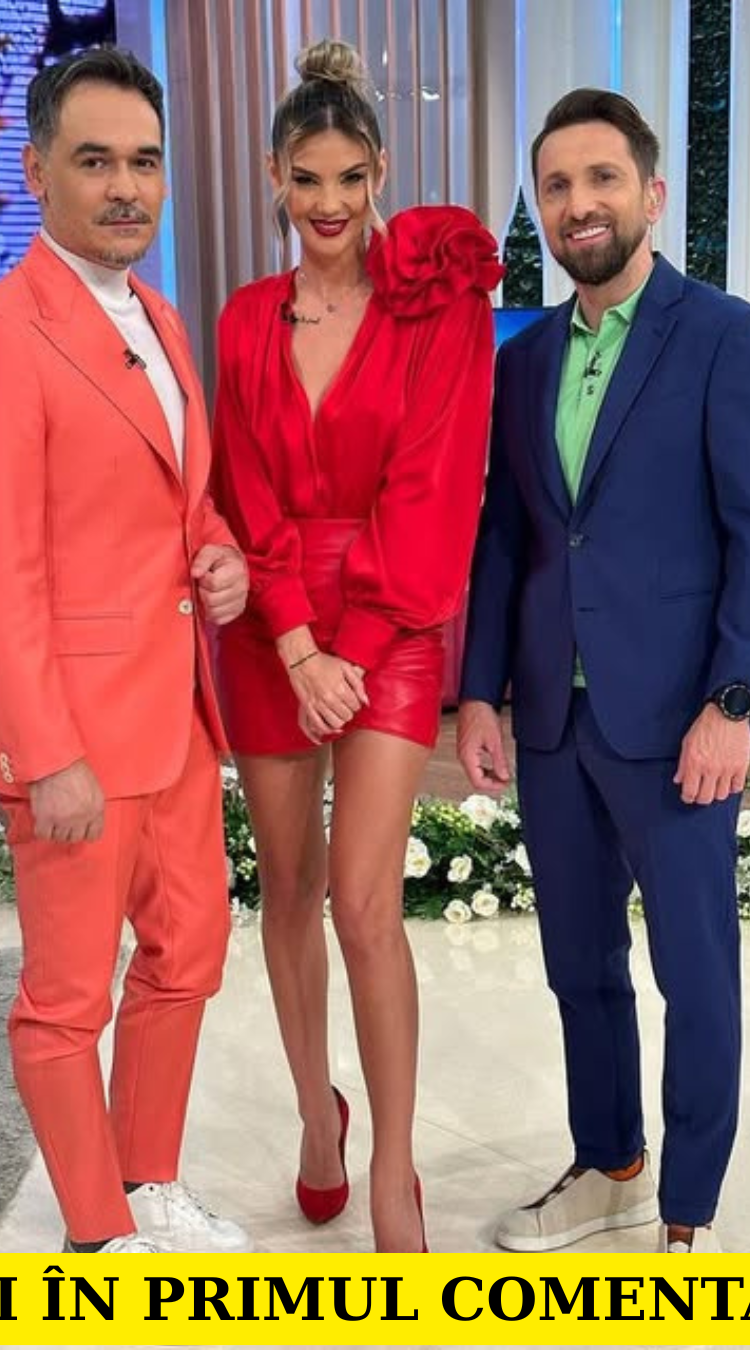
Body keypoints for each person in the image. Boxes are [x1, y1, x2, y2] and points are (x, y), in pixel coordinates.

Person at [457, 88, 750, 1255]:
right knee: (580, 966)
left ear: (650, 193)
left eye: (601, 178)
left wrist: (733, 703)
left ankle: (688, 1210)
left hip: (678, 720)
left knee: (695, 974)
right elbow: (508, 538)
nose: (579, 203)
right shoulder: (524, 361)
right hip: (555, 719)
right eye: (557, 185)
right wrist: (480, 690)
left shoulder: (725, 338)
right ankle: (609, 1165)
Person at [0, 47, 252, 1256]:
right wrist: (45, 749)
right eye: (96, 160)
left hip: (174, 716)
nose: (127, 188)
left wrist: (220, 556)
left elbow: (180, 505)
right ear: (36, 171)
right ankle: (97, 1236)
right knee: (67, 999)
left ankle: (148, 1181)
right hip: (73, 732)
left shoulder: (158, 319)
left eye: (145, 162)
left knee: (189, 956)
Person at [211, 39, 502, 1253]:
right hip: (271, 628)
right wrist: (293, 644)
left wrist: (356, 646)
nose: (327, 204)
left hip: (395, 615)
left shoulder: (439, 306)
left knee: (364, 899)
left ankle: (393, 1163)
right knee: (286, 889)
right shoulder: (244, 319)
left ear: (380, 170)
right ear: (273, 176)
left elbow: (437, 488)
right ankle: (315, 1118)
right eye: (304, 179)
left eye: (348, 178)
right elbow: (242, 491)